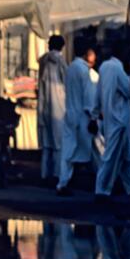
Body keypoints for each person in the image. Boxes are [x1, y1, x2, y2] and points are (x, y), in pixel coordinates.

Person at [91, 41, 130, 203]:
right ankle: (101, 191)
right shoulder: (118, 69)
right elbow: (129, 90)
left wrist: (94, 115)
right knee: (111, 156)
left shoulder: (104, 68)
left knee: (126, 157)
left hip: (111, 120)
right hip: (119, 121)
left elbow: (98, 94)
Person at [55, 38, 97, 195]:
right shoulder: (83, 70)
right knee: (96, 148)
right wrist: (93, 117)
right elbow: (88, 96)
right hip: (82, 116)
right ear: (87, 54)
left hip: (70, 114)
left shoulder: (71, 68)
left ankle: (63, 183)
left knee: (68, 150)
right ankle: (104, 184)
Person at [37, 35, 67, 183]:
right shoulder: (61, 62)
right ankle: (56, 175)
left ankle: (44, 175)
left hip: (44, 107)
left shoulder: (43, 61)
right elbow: (66, 82)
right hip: (59, 108)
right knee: (58, 145)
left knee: (47, 144)